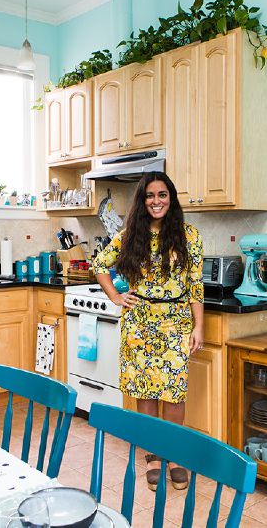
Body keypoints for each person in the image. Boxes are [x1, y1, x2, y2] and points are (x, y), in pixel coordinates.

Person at [91, 171, 204, 492]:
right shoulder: (130, 234)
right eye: (150, 196)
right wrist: (115, 296)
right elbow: (100, 264)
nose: (157, 201)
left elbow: (196, 285)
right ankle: (154, 456)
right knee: (145, 391)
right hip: (138, 322)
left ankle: (176, 453)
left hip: (175, 321)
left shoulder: (189, 235)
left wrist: (199, 326)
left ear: (172, 198)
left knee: (173, 391)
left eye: (162, 195)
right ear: (143, 201)